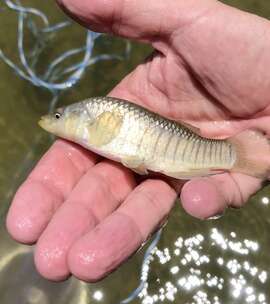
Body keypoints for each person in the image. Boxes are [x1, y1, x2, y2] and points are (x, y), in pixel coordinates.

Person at [6, 0, 270, 282]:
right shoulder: (93, 118)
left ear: (79, 117)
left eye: (59, 117)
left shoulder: (95, 114)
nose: (51, 122)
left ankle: (238, 156)